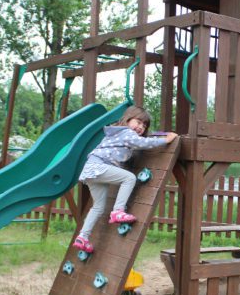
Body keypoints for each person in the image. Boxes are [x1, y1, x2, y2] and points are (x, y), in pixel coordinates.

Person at [72, 106, 177, 253]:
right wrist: (165, 140)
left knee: (98, 207)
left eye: (144, 126)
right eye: (138, 122)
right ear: (128, 120)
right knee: (129, 178)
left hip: (92, 170)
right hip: (98, 167)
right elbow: (143, 143)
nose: (140, 127)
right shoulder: (127, 132)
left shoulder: (117, 134)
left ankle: (83, 237)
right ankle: (118, 211)